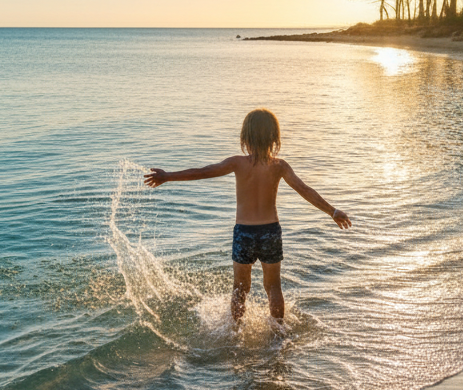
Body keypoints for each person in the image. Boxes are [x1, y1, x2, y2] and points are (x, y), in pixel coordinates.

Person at [144, 109, 351, 322]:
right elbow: (305, 190)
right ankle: (278, 334)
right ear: (273, 137)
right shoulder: (279, 165)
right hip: (270, 231)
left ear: (246, 137)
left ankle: (235, 333)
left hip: (244, 233)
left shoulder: (237, 163)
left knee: (240, 289)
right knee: (273, 287)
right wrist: (332, 211)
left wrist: (168, 176)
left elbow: (203, 171)